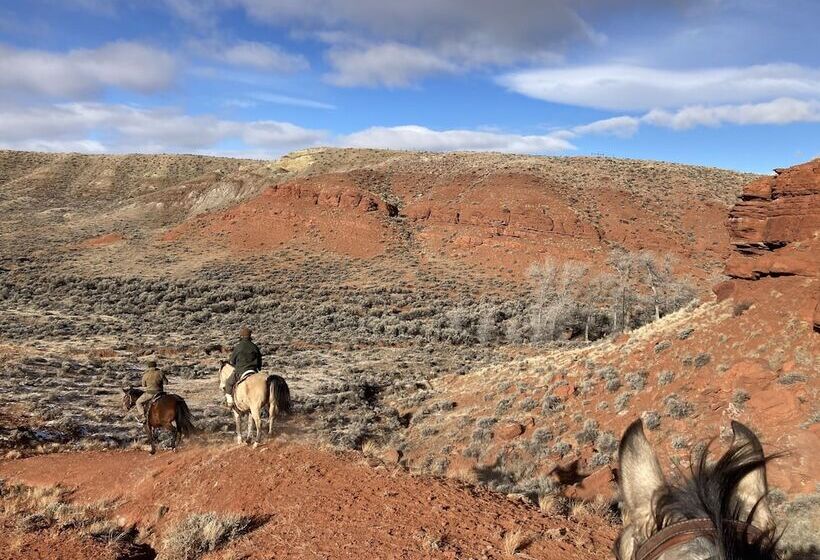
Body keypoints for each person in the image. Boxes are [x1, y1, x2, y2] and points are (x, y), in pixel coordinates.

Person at [225, 326, 262, 400]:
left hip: (240, 371)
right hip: (253, 371)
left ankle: (230, 401)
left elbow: (232, 361)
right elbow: (259, 361)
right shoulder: (254, 347)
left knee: (228, 383)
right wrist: (258, 368)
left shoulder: (238, 347)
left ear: (241, 336)